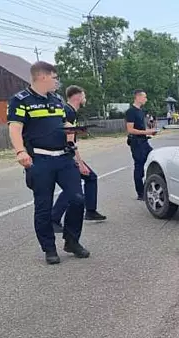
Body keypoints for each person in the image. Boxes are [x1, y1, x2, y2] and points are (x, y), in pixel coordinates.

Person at [7, 61, 89, 265]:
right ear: (42, 77)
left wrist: (72, 130)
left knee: (77, 198)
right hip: (40, 160)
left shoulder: (57, 100)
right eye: (54, 77)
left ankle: (71, 241)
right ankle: (49, 249)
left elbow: (63, 123)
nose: (57, 82)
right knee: (43, 207)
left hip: (63, 157)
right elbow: (15, 128)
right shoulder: (20, 100)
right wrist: (20, 151)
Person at [51, 85, 107, 233]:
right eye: (84, 95)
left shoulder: (70, 112)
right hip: (66, 155)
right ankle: (54, 218)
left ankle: (90, 211)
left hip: (66, 153)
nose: (85, 98)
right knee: (75, 186)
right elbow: (69, 141)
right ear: (77, 96)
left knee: (86, 180)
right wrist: (79, 162)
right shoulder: (68, 112)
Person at [125, 89, 157, 200]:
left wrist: (149, 131)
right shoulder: (131, 111)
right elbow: (130, 129)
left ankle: (150, 184)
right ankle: (140, 193)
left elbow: (140, 127)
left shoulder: (140, 111)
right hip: (136, 142)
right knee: (139, 166)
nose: (146, 99)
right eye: (144, 97)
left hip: (144, 141)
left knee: (153, 157)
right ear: (138, 97)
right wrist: (146, 132)